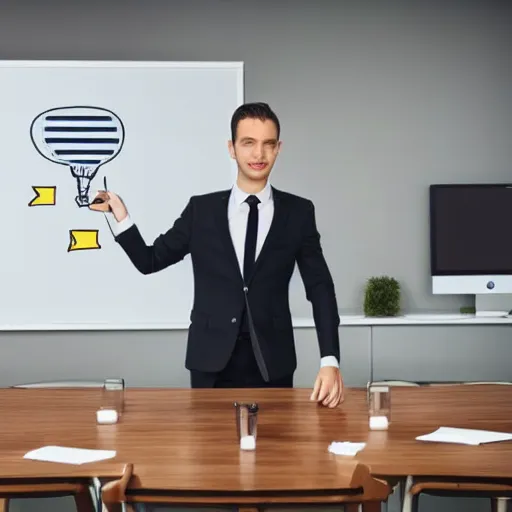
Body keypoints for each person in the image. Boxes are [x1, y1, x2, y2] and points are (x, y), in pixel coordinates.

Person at [92, 102, 344, 407]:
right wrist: (121, 216)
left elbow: (320, 288)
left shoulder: (299, 212)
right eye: (248, 143)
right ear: (232, 148)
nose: (258, 154)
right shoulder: (201, 210)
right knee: (209, 453)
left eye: (267, 144)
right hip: (209, 362)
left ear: (278, 149)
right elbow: (150, 260)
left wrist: (330, 359)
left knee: (274, 454)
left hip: (272, 362)